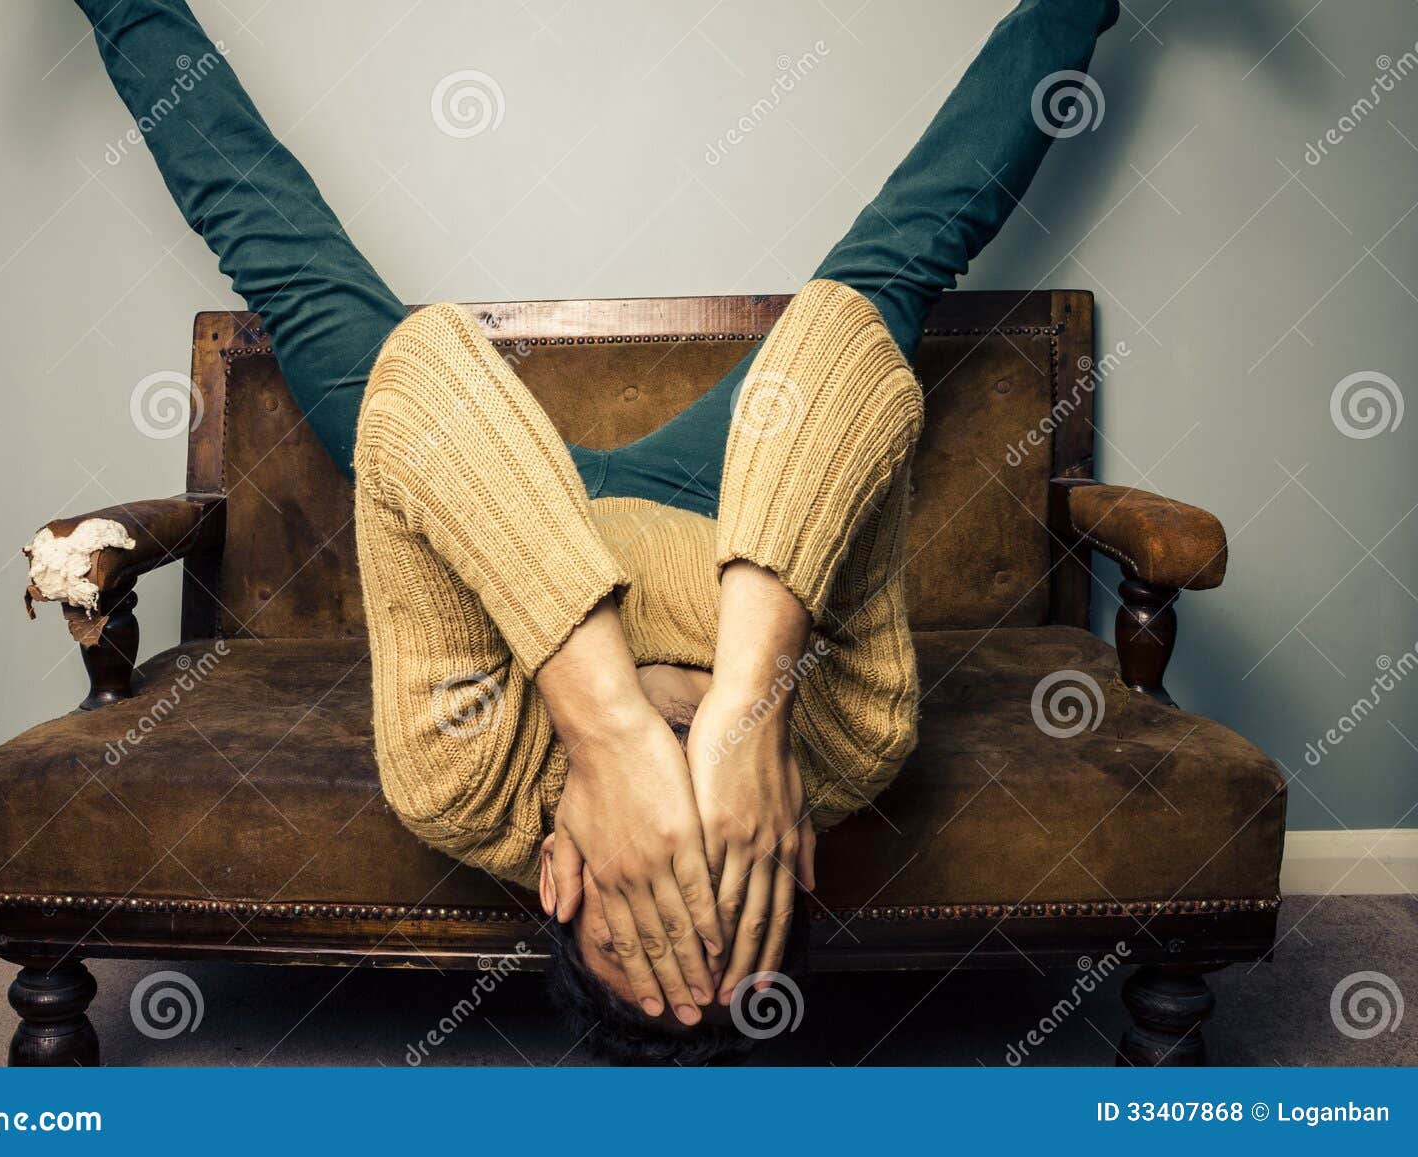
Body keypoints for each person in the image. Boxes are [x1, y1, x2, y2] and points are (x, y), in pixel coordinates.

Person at [72, 0, 1120, 1063]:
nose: (679, 842)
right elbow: (843, 338)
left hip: (498, 501)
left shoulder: (458, 781)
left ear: (561, 874)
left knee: (278, 249)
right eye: (720, 883)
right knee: (907, 251)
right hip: (721, 500)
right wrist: (747, 715)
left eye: (645, 887)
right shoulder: (851, 741)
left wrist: (608, 728)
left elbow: (430, 369)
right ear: (792, 855)